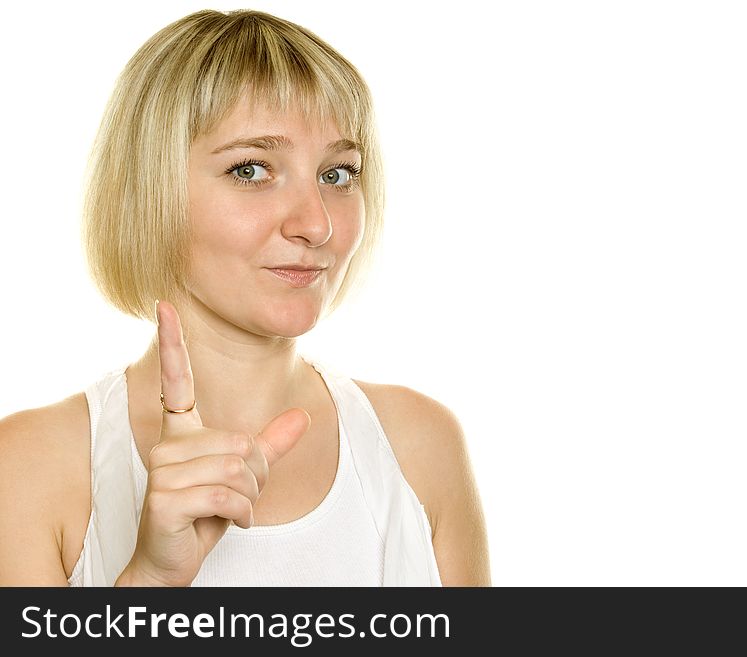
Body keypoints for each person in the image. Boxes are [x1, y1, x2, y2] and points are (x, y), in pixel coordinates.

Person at [0, 8, 490, 587]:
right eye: (252, 169)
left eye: (337, 174)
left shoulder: (419, 445)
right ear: (150, 188)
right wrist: (151, 584)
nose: (316, 225)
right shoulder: (28, 469)